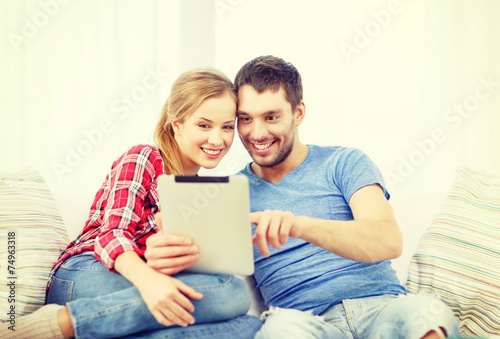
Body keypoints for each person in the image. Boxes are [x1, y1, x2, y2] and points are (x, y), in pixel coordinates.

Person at [1, 68, 262, 339]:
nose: (217, 139)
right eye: (204, 125)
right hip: (85, 272)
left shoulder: (204, 193)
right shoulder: (143, 157)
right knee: (230, 292)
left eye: (227, 127)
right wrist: (149, 281)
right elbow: (111, 237)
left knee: (250, 328)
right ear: (177, 124)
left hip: (131, 285)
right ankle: (56, 324)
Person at [230, 55, 461, 338]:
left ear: (298, 112)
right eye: (245, 119)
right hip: (307, 324)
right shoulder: (231, 193)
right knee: (280, 330)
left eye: (271, 117)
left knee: (428, 312)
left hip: (382, 313)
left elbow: (388, 240)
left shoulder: (344, 162)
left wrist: (299, 226)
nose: (257, 133)